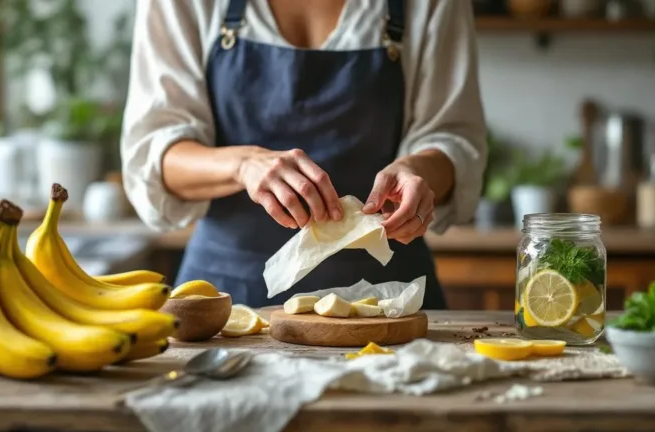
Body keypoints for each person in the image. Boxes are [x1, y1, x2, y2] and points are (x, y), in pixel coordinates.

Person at [122, 0, 487, 308]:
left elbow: (452, 136)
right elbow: (154, 154)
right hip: (228, 300)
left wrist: (418, 169)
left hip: (388, 302)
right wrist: (243, 165)